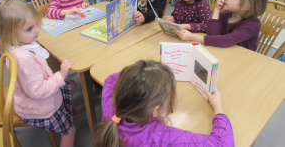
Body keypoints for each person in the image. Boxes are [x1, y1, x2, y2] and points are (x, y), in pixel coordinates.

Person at [0, 0, 80, 147]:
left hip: (36, 99)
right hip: (40, 109)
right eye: (29, 29)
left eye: (36, 24)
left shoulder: (17, 44)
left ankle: (66, 113)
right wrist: (61, 74)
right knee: (70, 131)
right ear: (10, 33)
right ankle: (64, 120)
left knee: (71, 85)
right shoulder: (24, 58)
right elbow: (37, 92)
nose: (37, 30)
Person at [96, 60, 234, 146]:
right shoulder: (163, 137)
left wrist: (143, 75)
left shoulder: (111, 110)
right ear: (156, 110)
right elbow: (223, 144)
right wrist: (219, 107)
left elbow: (111, 79)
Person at [175, 0, 271, 51]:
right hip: (224, 52)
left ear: (246, 6)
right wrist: (216, 10)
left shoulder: (253, 24)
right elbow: (212, 35)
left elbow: (226, 40)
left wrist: (192, 37)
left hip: (242, 60)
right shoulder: (226, 14)